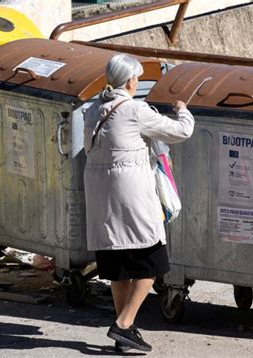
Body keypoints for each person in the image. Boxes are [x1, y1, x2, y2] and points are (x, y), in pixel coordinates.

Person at [83, 54, 194, 353]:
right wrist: (184, 112)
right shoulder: (134, 109)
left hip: (98, 191)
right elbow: (181, 132)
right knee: (152, 258)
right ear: (131, 81)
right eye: (138, 79)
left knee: (117, 260)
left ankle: (126, 329)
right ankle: (122, 324)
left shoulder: (94, 110)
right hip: (129, 192)